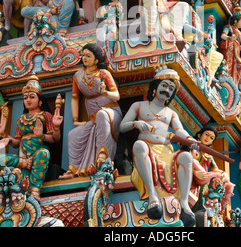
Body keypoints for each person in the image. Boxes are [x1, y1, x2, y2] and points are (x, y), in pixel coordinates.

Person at [120, 67, 197, 227]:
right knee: (139, 145)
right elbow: (122, 127)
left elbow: (179, 131)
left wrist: (189, 139)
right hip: (147, 150)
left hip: (166, 152)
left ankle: (184, 203)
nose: (167, 90)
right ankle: (152, 196)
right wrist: (136, 123)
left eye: (171, 89)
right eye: (165, 85)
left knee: (186, 156)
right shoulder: (139, 106)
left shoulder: (171, 113)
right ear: (156, 86)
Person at [59, 44, 122, 179]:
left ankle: (103, 158)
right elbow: (75, 98)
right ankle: (73, 169)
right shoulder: (78, 76)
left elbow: (117, 95)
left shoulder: (104, 74)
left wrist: (106, 93)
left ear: (96, 60)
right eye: (83, 55)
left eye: (88, 56)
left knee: (102, 114)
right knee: (73, 135)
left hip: (111, 113)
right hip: (94, 119)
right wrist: (75, 120)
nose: (84, 58)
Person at [0, 74, 63, 201]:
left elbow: (55, 139)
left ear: (40, 101)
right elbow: (17, 142)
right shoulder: (21, 119)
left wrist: (48, 131)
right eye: (25, 98)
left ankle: (35, 190)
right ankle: (23, 164)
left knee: (44, 154)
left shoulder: (45, 115)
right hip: (22, 157)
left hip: (37, 154)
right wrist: (7, 138)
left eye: (32, 97)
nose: (28, 100)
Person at [220, 6, 241, 87]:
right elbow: (223, 36)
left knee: (239, 66)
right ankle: (226, 79)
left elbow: (237, 46)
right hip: (229, 50)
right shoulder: (229, 27)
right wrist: (230, 38)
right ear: (235, 21)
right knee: (228, 65)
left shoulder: (239, 32)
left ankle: (234, 83)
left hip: (235, 53)